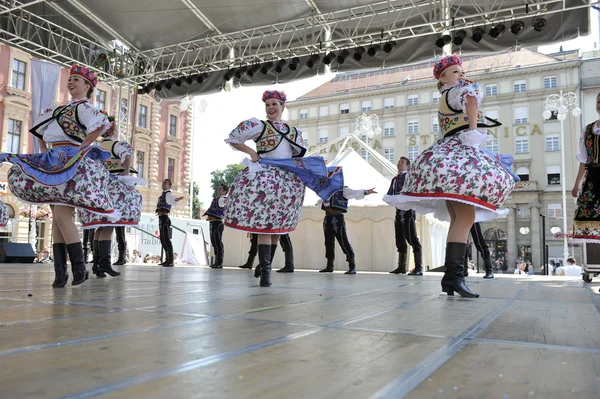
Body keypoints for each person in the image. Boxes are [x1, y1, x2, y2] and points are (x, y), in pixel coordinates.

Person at [383, 54, 515, 297]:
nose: (461, 75)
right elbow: (472, 98)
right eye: (455, 71)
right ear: (442, 78)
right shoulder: (457, 91)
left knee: (459, 218)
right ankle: (454, 276)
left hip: (448, 159)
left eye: (461, 71)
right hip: (459, 158)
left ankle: (452, 277)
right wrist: (474, 130)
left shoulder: (446, 97)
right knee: (465, 216)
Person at [5, 64, 116, 287]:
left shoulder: (84, 108)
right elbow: (39, 131)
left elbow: (102, 125)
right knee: (56, 215)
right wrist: (45, 151)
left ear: (87, 86)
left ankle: (78, 267)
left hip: (70, 159)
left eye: (77, 79)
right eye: (70, 78)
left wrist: (83, 146)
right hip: (54, 158)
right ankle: (61, 273)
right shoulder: (59, 109)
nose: (71, 82)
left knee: (63, 214)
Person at [223, 90, 308, 287]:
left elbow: (299, 156)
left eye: (274, 104)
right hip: (265, 178)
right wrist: (253, 152)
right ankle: (266, 275)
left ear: (282, 107)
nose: (270, 108)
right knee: (265, 223)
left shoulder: (293, 131)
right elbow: (234, 138)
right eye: (267, 104)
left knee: (277, 226)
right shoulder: (259, 125)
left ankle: (263, 266)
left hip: (286, 181)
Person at [78, 115, 142, 278]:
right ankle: (104, 264)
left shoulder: (96, 148)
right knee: (109, 225)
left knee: (100, 226)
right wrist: (126, 172)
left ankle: (98, 264)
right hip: (114, 188)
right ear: (113, 129)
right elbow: (127, 156)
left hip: (100, 188)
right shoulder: (117, 145)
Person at [318, 186, 377, 274]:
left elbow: (354, 193)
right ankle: (329, 266)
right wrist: (324, 202)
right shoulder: (326, 190)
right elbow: (320, 203)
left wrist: (366, 192)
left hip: (338, 218)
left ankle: (352, 266)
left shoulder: (343, 190)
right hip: (328, 218)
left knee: (343, 241)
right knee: (328, 242)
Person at [572, 93, 600, 244]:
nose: (599, 105)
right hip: (592, 177)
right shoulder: (588, 129)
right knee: (591, 215)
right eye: (598, 102)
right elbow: (583, 160)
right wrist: (576, 185)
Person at [388, 157, 423, 275]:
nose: (399, 164)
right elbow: (390, 194)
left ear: (407, 165)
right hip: (398, 210)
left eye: (402, 162)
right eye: (399, 162)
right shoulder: (394, 179)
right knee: (399, 238)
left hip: (408, 210)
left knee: (412, 237)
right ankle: (401, 266)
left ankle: (419, 267)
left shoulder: (409, 176)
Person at [156, 178, 184, 268]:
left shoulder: (168, 194)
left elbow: (173, 200)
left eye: (166, 183)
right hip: (161, 217)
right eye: (163, 183)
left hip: (165, 218)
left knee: (166, 239)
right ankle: (167, 259)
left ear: (169, 186)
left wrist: (177, 199)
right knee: (163, 239)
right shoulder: (163, 195)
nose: (163, 184)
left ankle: (170, 260)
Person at [203, 184, 228, 269]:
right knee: (214, 242)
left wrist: (227, 199)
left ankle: (219, 262)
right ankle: (217, 261)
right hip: (213, 222)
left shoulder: (222, 199)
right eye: (219, 189)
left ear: (225, 191)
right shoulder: (216, 199)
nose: (218, 190)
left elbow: (225, 201)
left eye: (220, 189)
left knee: (217, 242)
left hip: (217, 223)